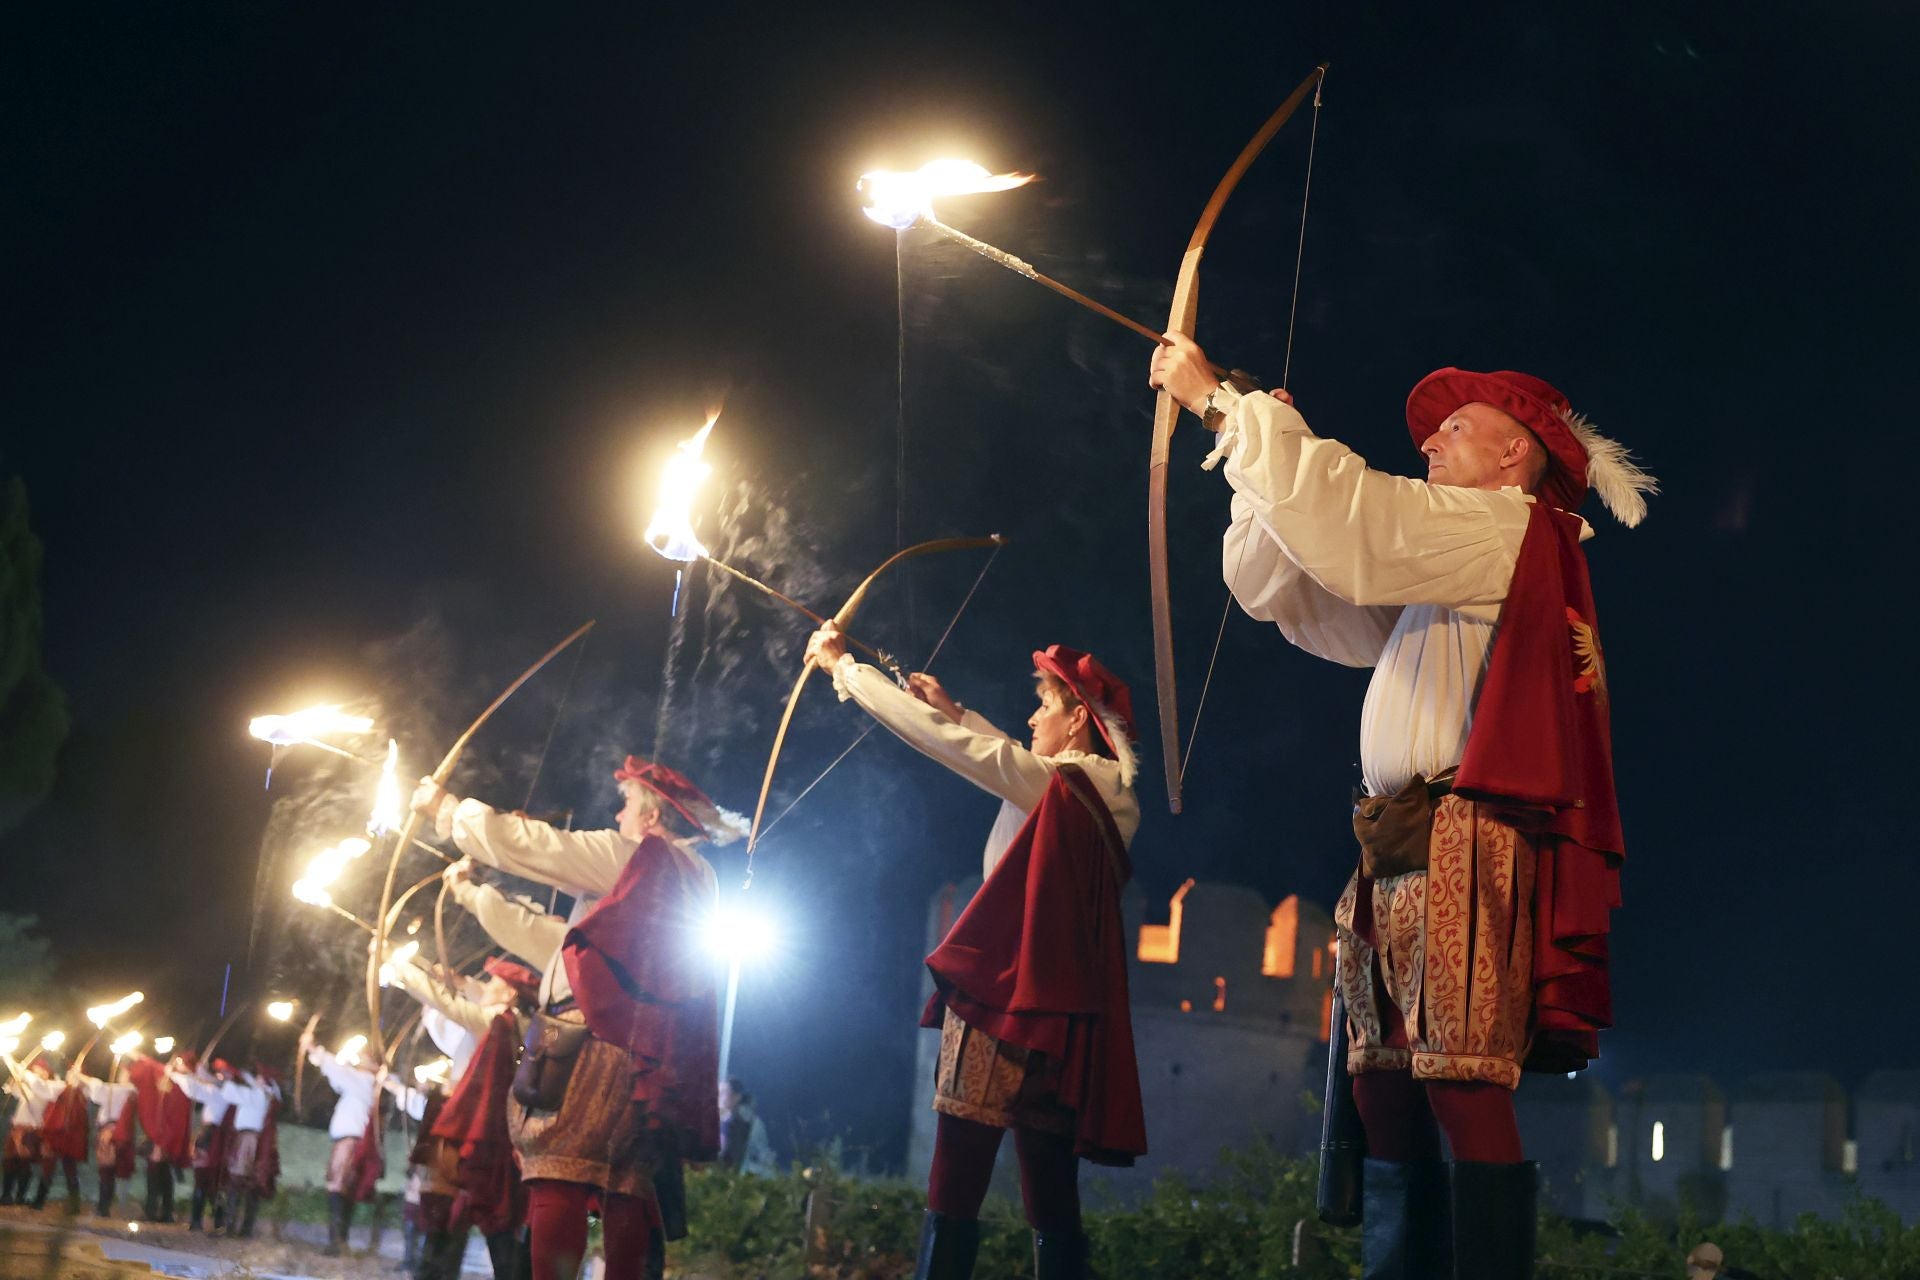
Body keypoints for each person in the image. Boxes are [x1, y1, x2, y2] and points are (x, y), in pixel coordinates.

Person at [1151, 336, 1654, 1280]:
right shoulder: (1451, 561)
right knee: (1381, 1080)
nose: (1430, 444)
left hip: (1467, 829)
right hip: (1401, 834)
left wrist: (1230, 409)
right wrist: (1261, 460)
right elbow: (1293, 581)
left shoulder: (1507, 530)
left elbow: (1360, 520)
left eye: (1456, 429)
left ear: (1517, 455)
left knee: (1460, 1079)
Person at [805, 626, 1145, 1280]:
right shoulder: (1090, 790)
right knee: (1049, 1190)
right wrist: (954, 710)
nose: (1031, 717)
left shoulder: (1069, 788)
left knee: (957, 1174)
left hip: (1009, 995)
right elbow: (1001, 755)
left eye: (1044, 705)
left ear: (1078, 720)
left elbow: (967, 754)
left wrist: (846, 670)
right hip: (1060, 1012)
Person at [414, 755, 729, 1280]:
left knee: (558, 1171)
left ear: (653, 818)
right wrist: (473, 894)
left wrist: (448, 812)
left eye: (627, 803)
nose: (617, 814)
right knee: (626, 1184)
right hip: (648, 1058)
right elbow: (559, 942)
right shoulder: (689, 879)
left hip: (591, 1043)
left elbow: (545, 848)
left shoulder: (640, 857)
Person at [380, 945, 541, 1280]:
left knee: (464, 1210)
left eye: (494, 982)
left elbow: (450, 1006)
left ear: (508, 993)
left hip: (477, 1132)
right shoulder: (513, 1023)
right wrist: (456, 979)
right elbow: (467, 1000)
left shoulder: (499, 1023)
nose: (487, 985)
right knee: (479, 1214)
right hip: (495, 1132)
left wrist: (398, 966)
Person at [300, 1033, 382, 1255]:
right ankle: (338, 1240)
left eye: (366, 1058)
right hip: (346, 1141)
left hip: (350, 1142)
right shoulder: (357, 1083)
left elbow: (337, 1072)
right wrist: (319, 1055)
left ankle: (337, 1242)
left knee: (338, 1188)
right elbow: (337, 1078)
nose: (360, 1059)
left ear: (374, 1066)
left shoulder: (364, 1082)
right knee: (340, 1189)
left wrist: (314, 1048)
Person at [125, 1048, 195, 1224]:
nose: (176, 1065)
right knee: (162, 1172)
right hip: (162, 1133)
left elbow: (176, 1116)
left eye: (181, 1063)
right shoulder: (173, 1080)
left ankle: (154, 1210)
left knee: (156, 1171)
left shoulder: (183, 1083)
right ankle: (164, 1212)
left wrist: (162, 1139)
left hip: (167, 1134)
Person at [76, 1062, 138, 1215]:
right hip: (113, 1132)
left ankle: (107, 1208)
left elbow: (101, 1089)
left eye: (125, 1073)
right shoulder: (122, 1090)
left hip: (112, 1133)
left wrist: (81, 1076)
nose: (121, 1075)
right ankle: (105, 1207)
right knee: (106, 1170)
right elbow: (96, 1093)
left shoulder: (127, 1089)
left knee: (108, 1169)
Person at [1, 1058, 61, 1208]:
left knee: (24, 1164)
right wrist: (16, 1074)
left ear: (46, 1073)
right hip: (17, 1129)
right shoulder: (31, 1088)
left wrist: (23, 1072)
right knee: (9, 1163)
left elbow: (38, 1086)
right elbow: (12, 1088)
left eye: (39, 1071)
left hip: (32, 1130)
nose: (35, 1073)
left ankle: (20, 1196)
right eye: (34, 1071)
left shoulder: (48, 1088)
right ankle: (6, 1195)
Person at [717, 1078, 774, 1176]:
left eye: (723, 1092)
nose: (718, 1097)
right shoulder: (717, 1120)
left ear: (737, 1096)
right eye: (718, 1092)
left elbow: (762, 1156)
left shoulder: (752, 1124)